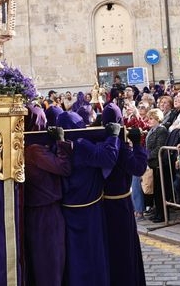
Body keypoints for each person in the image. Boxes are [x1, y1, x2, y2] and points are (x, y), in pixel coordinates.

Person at [57, 111, 120, 286]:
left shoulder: (56, 144)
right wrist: (113, 136)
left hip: (68, 208)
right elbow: (107, 158)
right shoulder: (80, 144)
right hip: (87, 210)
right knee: (91, 254)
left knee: (74, 254)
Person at [101, 104, 147, 286]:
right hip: (121, 203)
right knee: (124, 246)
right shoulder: (121, 147)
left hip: (102, 203)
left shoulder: (100, 143)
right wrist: (138, 145)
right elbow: (139, 168)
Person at [23, 125, 72, 286]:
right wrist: (60, 142)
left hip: (38, 210)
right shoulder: (34, 150)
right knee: (51, 262)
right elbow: (63, 167)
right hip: (45, 212)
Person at [144, 108, 168, 223]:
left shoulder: (161, 130)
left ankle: (161, 214)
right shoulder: (152, 130)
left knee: (159, 190)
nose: (149, 120)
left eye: (151, 118)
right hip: (152, 163)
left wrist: (147, 156)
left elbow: (159, 147)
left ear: (157, 119)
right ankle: (157, 212)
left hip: (158, 163)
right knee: (154, 189)